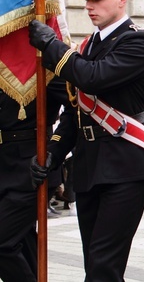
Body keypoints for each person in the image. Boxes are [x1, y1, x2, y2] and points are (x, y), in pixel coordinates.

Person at [28, 0, 144, 281]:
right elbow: (77, 114)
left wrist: (51, 45)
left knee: (103, 266)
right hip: (90, 167)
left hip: (125, 165)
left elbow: (93, 78)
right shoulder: (86, 47)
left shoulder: (137, 43)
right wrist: (52, 154)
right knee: (96, 264)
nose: (89, 5)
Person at [0, 79, 73, 281]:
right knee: (21, 242)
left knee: (3, 242)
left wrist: (54, 148)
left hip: (31, 167)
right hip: (4, 165)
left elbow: (75, 107)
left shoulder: (42, 60)